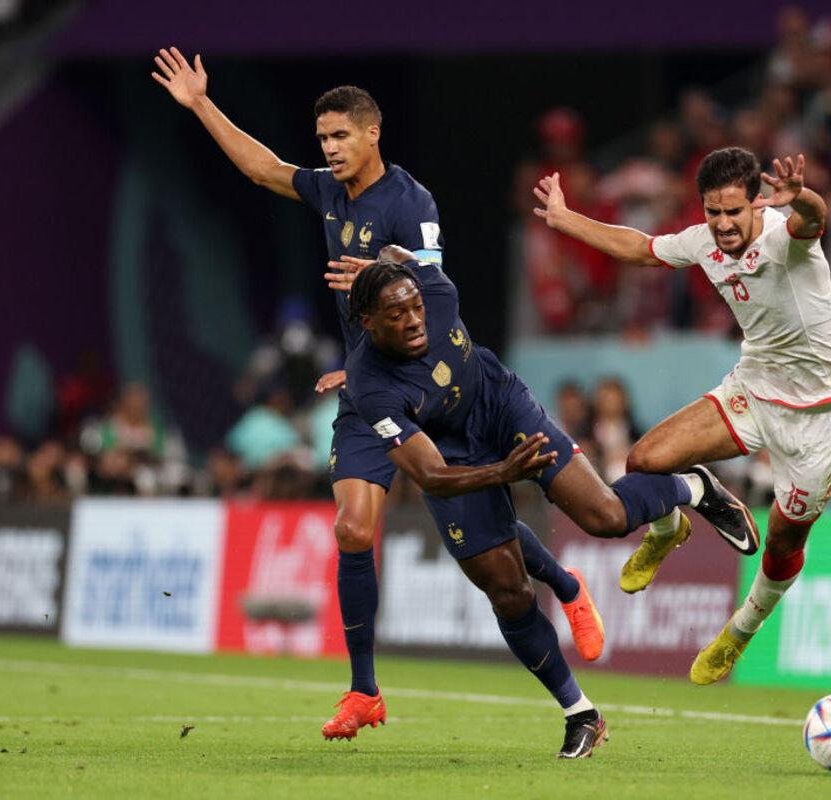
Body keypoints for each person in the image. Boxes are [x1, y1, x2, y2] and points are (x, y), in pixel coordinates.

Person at [151, 48, 600, 742]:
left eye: (340, 136)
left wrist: (390, 265)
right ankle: (364, 691)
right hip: (367, 389)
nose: (328, 149)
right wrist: (202, 104)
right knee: (353, 529)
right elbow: (263, 168)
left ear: (372, 134)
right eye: (323, 137)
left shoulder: (408, 200)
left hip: (423, 389)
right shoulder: (331, 193)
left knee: (474, 524)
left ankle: (565, 589)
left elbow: (431, 282)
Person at [339, 246, 759, 756]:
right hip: (448, 454)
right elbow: (431, 473)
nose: (413, 320)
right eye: (396, 314)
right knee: (509, 592)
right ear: (367, 323)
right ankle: (581, 713)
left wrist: (391, 255)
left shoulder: (435, 288)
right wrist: (502, 474)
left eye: (415, 307)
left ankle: (695, 487)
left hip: (502, 407)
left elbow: (409, 254)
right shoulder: (369, 385)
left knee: (605, 516)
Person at [533, 147, 831, 685]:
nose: (724, 224)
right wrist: (567, 219)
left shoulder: (783, 237)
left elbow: (814, 220)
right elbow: (639, 248)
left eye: (735, 211)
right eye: (713, 212)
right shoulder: (703, 242)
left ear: (758, 203)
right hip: (755, 388)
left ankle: (740, 631)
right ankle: (671, 523)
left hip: (823, 415)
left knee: (783, 542)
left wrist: (801, 196)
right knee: (644, 459)